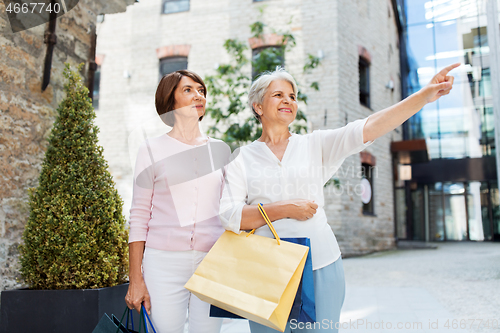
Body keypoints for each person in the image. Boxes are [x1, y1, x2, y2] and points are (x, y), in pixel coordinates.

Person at [219, 63, 460, 332]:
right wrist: (285, 208)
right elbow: (231, 217)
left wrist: (424, 96)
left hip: (320, 265)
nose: (288, 100)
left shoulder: (315, 144)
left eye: (292, 96)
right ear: (258, 106)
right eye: (278, 95)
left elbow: (370, 127)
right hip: (265, 270)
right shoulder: (242, 157)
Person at [125, 69, 229, 333]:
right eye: (188, 90)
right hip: (163, 263)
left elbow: (232, 208)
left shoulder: (220, 150)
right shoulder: (150, 149)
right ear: (170, 102)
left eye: (201, 91)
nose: (198, 95)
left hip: (211, 261)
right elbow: (138, 216)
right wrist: (135, 279)